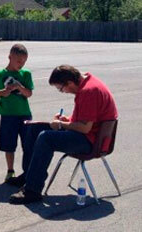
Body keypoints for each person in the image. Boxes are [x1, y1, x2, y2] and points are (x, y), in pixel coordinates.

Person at [10, 65, 119, 205]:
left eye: (61, 89)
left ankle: (32, 190)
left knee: (46, 138)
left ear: (69, 83)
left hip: (91, 141)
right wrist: (65, 120)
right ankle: (29, 175)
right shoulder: (86, 83)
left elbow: (85, 128)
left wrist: (61, 125)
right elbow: (83, 119)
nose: (64, 92)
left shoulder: (89, 91)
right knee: (34, 128)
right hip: (88, 135)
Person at [0, 43, 34, 183]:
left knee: (28, 144)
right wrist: (4, 92)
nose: (21, 64)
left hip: (24, 114)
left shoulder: (25, 74)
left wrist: (19, 87)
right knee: (8, 144)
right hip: (8, 114)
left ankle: (27, 172)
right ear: (10, 57)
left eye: (23, 62)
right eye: (18, 61)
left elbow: (28, 94)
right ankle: (10, 170)